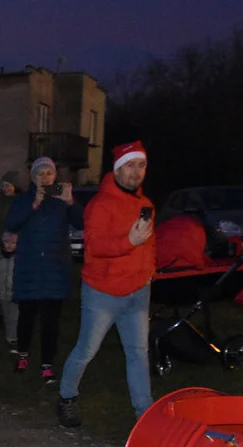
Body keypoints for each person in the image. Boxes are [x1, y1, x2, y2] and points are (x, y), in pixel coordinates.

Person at [57, 141, 156, 428]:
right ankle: (67, 397)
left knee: (138, 353)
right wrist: (129, 242)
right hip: (103, 293)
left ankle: (144, 414)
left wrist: (150, 272)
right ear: (117, 169)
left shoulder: (146, 204)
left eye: (141, 165)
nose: (136, 172)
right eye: (130, 165)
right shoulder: (100, 204)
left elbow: (150, 245)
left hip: (138, 292)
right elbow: (95, 246)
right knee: (86, 350)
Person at [6, 156, 84, 385]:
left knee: (51, 320)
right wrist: (33, 205)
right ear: (33, 178)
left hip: (55, 268)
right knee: (27, 317)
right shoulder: (24, 199)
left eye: (48, 174)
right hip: (30, 267)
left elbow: (82, 223)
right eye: (40, 174)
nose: (45, 178)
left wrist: (71, 203)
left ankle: (47, 365)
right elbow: (12, 224)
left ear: (55, 176)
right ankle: (22, 355)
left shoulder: (61, 199)